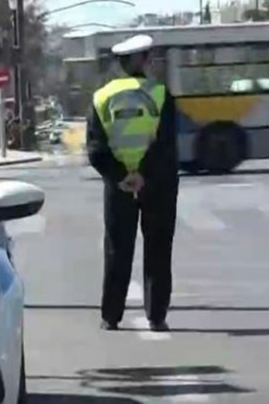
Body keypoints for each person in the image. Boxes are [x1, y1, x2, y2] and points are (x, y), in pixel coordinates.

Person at [86, 34, 179, 332]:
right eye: (147, 57)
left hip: (119, 188)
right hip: (157, 185)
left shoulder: (101, 98)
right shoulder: (161, 94)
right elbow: (166, 145)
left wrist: (121, 176)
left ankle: (110, 316)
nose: (150, 61)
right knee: (158, 249)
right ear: (140, 61)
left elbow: (96, 149)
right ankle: (156, 316)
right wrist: (144, 175)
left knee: (116, 249)